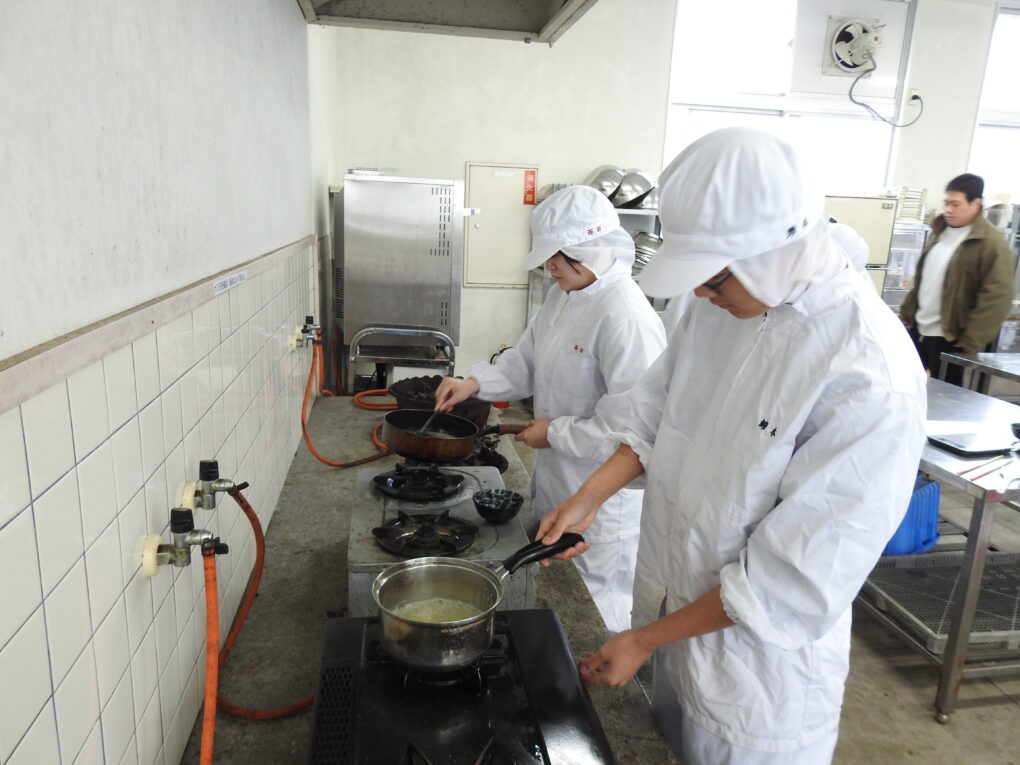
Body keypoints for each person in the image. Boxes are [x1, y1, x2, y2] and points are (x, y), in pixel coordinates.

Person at [535, 128, 927, 764]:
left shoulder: (867, 374)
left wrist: (645, 639)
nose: (699, 293)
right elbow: (656, 412)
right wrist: (589, 498)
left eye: (713, 278)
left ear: (778, 250)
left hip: (755, 683)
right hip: (669, 627)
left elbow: (791, 579)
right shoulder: (718, 307)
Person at [434, 185, 667, 633]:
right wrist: (473, 384)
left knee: (593, 612)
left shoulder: (626, 318)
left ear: (591, 248)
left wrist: (554, 432)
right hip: (558, 479)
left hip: (602, 499)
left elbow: (634, 432)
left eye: (558, 256)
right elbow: (526, 360)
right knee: (554, 597)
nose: (549, 267)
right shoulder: (565, 295)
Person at [900, 173, 1014, 385]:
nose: (949, 210)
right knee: (906, 387)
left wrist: (972, 338)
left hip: (951, 338)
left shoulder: (990, 244)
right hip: (918, 330)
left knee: (945, 395)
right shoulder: (939, 232)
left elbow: (997, 296)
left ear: (976, 203)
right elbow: (923, 280)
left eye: (956, 204)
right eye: (946, 203)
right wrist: (907, 312)